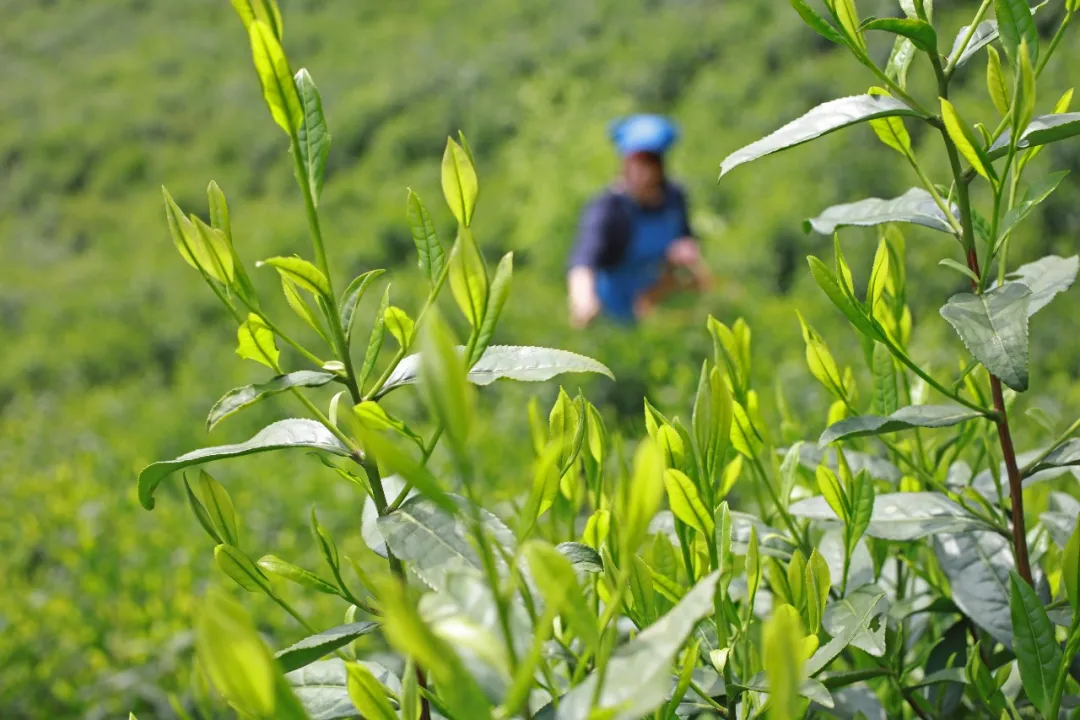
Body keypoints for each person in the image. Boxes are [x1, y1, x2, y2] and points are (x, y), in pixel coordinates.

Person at [567, 114, 710, 328]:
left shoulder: (674, 198)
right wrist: (583, 300)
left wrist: (686, 253)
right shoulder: (608, 208)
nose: (642, 174)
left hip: (656, 302)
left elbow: (684, 237)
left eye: (649, 164)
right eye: (636, 164)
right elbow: (584, 259)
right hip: (612, 308)